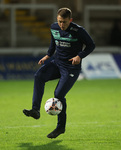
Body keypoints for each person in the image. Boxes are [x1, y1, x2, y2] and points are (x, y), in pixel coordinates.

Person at [23, 7, 95, 139]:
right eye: (60, 21)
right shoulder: (54, 28)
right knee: (38, 76)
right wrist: (48, 55)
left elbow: (91, 45)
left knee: (58, 94)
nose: (62, 25)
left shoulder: (78, 31)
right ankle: (35, 110)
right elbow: (53, 43)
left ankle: (61, 127)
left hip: (71, 68)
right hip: (57, 63)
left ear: (70, 20)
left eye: (65, 22)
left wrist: (79, 56)